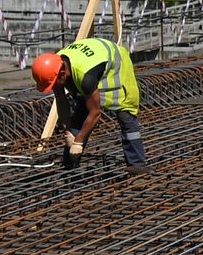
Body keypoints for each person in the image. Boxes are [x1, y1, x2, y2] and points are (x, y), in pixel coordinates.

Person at [32, 39, 150, 174]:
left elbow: (95, 113)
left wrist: (79, 142)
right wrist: (67, 132)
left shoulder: (85, 77)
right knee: (80, 115)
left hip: (116, 64)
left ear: (63, 72)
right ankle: (69, 166)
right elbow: (61, 101)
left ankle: (137, 164)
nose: (54, 87)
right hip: (91, 64)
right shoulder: (54, 68)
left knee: (125, 114)